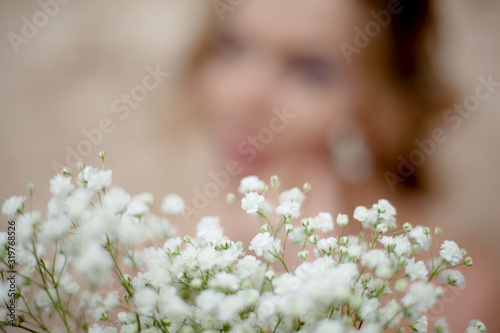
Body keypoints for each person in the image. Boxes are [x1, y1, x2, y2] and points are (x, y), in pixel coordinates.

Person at [175, 0, 499, 331]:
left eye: (310, 70)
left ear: (389, 103)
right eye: (232, 46)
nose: (243, 96)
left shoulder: (461, 288)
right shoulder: (159, 259)